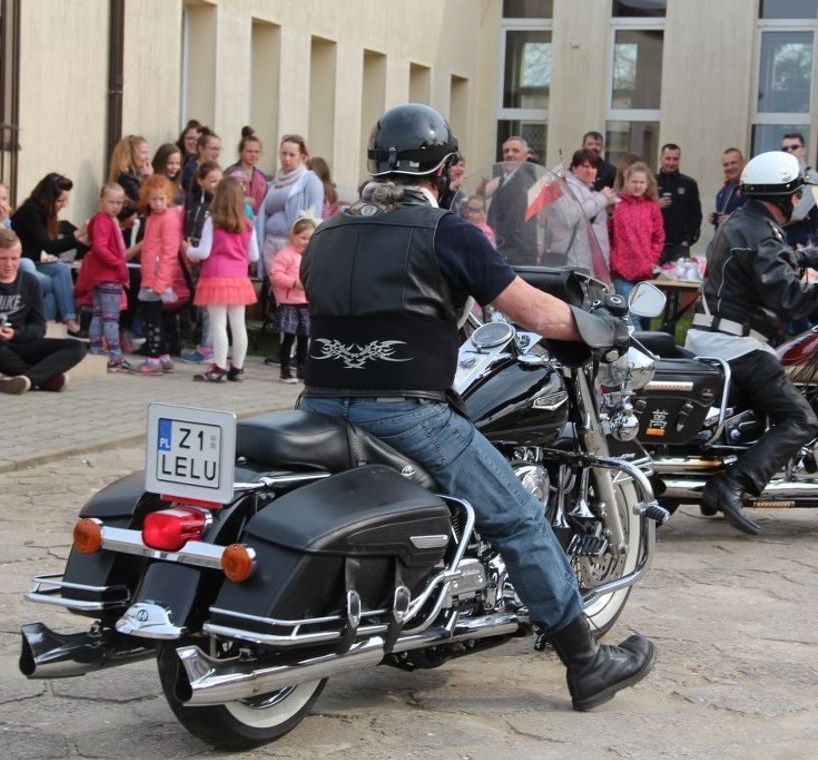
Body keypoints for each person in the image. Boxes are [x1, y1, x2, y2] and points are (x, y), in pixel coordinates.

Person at [299, 103, 654, 712]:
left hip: (320, 404)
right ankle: (587, 662)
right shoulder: (447, 232)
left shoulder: (329, 231)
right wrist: (601, 328)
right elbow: (536, 312)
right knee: (516, 517)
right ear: (442, 171)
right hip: (407, 412)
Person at [685, 150, 818, 534]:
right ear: (784, 196)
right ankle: (732, 484)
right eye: (796, 193)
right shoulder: (758, 231)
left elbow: (765, 264)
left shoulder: (747, 221)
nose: (799, 200)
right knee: (802, 418)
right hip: (737, 345)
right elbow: (786, 296)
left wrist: (809, 258)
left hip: (718, 336)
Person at [0, 229, 87, 393]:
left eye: (14, 258)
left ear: (20, 255)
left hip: (20, 343)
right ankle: (44, 379)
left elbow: (39, 327)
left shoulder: (30, 282)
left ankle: (27, 379)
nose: (9, 264)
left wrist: (16, 334)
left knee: (77, 347)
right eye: (3, 259)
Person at [188, 176, 257, 383]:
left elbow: (204, 251)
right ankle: (238, 368)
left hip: (215, 277)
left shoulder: (213, 222)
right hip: (239, 279)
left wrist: (188, 249)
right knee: (238, 324)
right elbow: (254, 256)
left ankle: (218, 366)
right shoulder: (248, 225)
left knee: (218, 324)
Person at [10, 173, 83, 334]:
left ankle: (69, 318)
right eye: (60, 201)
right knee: (53, 285)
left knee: (62, 269)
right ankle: (45, 325)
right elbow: (49, 245)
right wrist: (77, 235)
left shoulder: (44, 213)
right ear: (48, 199)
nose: (63, 205)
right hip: (21, 263)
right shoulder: (31, 212)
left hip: (34, 261)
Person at [77, 183, 132, 373]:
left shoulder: (104, 220)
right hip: (109, 276)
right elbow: (100, 247)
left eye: (119, 202)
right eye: (111, 202)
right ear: (101, 201)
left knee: (99, 315)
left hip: (102, 276)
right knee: (110, 318)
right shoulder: (103, 221)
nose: (115, 206)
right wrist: (117, 263)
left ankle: (96, 351)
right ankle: (115, 357)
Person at [258, 133, 323, 280]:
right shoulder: (275, 181)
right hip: (270, 242)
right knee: (273, 289)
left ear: (302, 156)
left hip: (292, 246)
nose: (286, 159)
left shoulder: (311, 181)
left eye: (292, 155)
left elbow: (314, 220)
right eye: (283, 154)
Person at [134, 175, 182, 375]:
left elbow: (170, 252)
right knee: (153, 317)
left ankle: (153, 358)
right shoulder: (153, 217)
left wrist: (161, 282)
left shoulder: (169, 218)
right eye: (153, 199)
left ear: (168, 197)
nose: (158, 203)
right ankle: (163, 357)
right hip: (150, 275)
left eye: (162, 199)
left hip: (157, 278)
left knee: (152, 319)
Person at [179, 161, 223, 365]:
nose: (217, 184)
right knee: (200, 303)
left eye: (219, 180)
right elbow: (184, 224)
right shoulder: (192, 200)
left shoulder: (220, 206)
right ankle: (205, 344)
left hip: (208, 259)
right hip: (190, 256)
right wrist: (184, 246)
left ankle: (208, 348)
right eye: (212, 180)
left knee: (209, 305)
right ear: (200, 181)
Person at [609, 161, 664, 319]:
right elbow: (608, 233)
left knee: (644, 314)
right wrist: (613, 258)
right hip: (621, 269)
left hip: (645, 270)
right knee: (630, 314)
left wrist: (652, 258)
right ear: (626, 182)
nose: (638, 186)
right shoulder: (616, 204)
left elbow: (658, 236)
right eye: (634, 181)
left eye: (642, 182)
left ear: (648, 184)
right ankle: (637, 343)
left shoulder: (652, 207)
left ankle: (646, 342)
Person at [268, 215, 316, 383]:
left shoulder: (312, 255)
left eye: (310, 238)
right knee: (288, 337)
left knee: (305, 337)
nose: (306, 242)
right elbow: (275, 275)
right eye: (302, 238)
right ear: (293, 236)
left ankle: (302, 368)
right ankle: (285, 369)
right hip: (289, 302)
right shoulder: (285, 254)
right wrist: (294, 283)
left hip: (306, 302)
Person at [561, 148, 617, 281]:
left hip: (592, 255)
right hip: (579, 255)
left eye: (593, 167)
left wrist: (609, 208)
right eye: (585, 166)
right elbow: (577, 214)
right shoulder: (570, 187)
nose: (590, 170)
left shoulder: (588, 188)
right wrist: (602, 198)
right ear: (574, 168)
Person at [485, 136, 537, 265]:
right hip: (502, 250)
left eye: (515, 151)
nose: (510, 154)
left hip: (515, 254)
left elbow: (514, 221)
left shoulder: (525, 181)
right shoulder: (503, 178)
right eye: (506, 151)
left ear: (525, 157)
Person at [655, 143, 702, 264]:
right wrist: (655, 206)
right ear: (661, 159)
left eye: (675, 159)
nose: (671, 163)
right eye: (668, 158)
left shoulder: (689, 184)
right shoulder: (651, 182)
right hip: (654, 246)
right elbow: (641, 210)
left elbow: (695, 215)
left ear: (679, 160)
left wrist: (688, 240)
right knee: (651, 282)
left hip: (679, 248)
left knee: (678, 282)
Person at [779, 133, 818, 248]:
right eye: (785, 149)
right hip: (780, 239)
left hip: (802, 243)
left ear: (803, 150)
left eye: (794, 147)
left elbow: (797, 213)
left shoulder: (812, 177)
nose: (789, 151)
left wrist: (778, 211)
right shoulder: (779, 177)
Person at [226, 126, 268, 215]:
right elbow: (222, 197)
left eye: (256, 152)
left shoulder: (262, 177)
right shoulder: (230, 173)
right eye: (249, 151)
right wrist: (243, 201)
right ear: (240, 151)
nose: (253, 155)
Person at [711, 148, 746, 228]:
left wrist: (732, 220)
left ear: (743, 162)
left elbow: (758, 219)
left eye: (734, 163)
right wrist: (714, 218)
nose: (730, 167)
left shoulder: (752, 188)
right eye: (726, 164)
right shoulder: (722, 192)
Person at [176, 119, 204, 193]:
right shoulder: (174, 156)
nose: (194, 142)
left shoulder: (203, 163)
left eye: (198, 140)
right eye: (190, 138)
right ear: (183, 138)